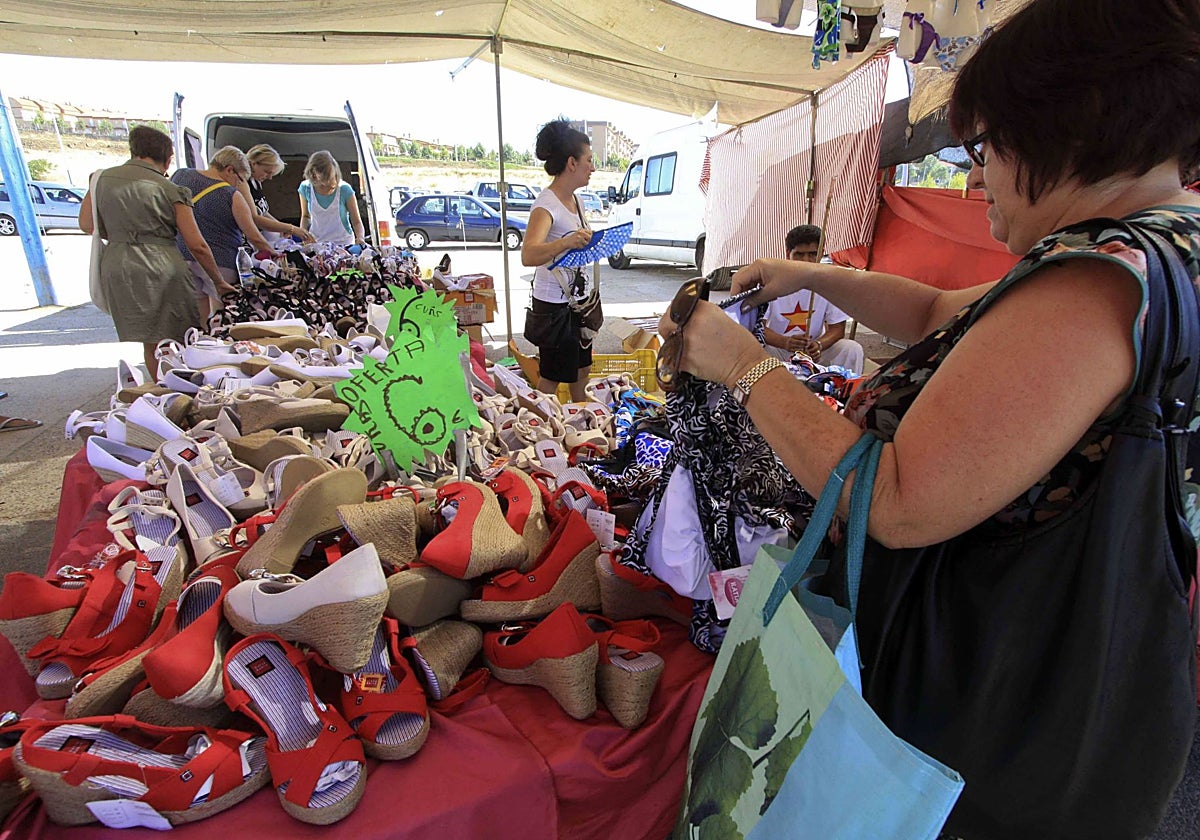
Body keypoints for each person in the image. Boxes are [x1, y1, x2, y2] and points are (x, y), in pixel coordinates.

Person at [658, 0, 1200, 836]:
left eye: (986, 148)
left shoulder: (1095, 281)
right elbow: (945, 310)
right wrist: (802, 274)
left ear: (1073, 121)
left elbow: (897, 500)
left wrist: (741, 366)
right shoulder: (1168, 246)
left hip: (993, 707)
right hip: (1088, 681)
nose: (975, 178)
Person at [79, 125, 218, 376]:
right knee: (179, 336)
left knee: (150, 339)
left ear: (134, 149)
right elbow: (196, 244)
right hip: (161, 265)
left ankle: (158, 389)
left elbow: (87, 225)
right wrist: (217, 281)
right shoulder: (169, 189)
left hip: (118, 264)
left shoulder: (99, 179)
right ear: (167, 158)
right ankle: (181, 392)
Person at [520, 119, 597, 402]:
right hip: (553, 305)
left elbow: (574, 246)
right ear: (571, 163)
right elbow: (528, 254)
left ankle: (583, 419)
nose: (593, 167)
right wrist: (567, 241)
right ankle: (537, 425)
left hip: (577, 302)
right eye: (588, 160)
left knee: (582, 368)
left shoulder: (577, 201)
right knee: (552, 376)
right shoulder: (546, 204)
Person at [171, 146, 274, 323]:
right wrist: (272, 254)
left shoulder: (180, 176)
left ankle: (198, 343)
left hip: (182, 255)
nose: (239, 184)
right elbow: (253, 236)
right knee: (223, 315)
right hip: (220, 262)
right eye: (240, 179)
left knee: (197, 315)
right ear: (229, 170)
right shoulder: (232, 195)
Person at [760, 224, 864, 373]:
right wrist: (785, 342)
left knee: (852, 349)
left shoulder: (830, 283)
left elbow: (837, 330)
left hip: (813, 353)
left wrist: (819, 345)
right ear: (788, 253)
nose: (806, 260)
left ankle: (844, 394)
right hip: (778, 350)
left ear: (821, 253)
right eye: (799, 254)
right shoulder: (771, 282)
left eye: (812, 254)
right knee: (756, 347)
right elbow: (758, 328)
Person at [235, 144, 315, 245]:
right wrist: (291, 228)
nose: (269, 178)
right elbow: (255, 218)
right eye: (267, 172)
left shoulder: (256, 182)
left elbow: (263, 212)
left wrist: (281, 227)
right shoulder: (243, 183)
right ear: (254, 163)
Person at [298, 150, 365, 247]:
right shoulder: (305, 188)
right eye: (325, 179)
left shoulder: (345, 190)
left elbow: (357, 222)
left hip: (343, 243)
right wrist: (304, 235)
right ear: (314, 174)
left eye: (332, 177)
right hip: (317, 244)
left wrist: (360, 238)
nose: (331, 182)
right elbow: (305, 217)